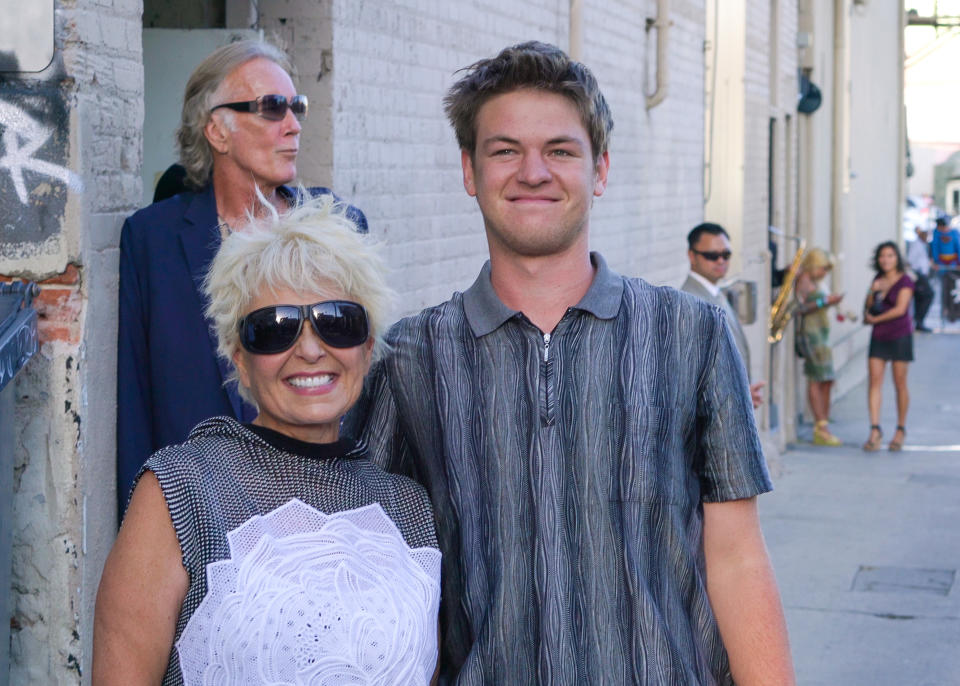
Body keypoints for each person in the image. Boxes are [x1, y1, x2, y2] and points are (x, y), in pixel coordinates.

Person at [346, 41, 794, 685]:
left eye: (559, 150)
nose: (533, 172)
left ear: (600, 170)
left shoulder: (691, 333)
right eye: (505, 151)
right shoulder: (410, 357)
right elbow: (376, 564)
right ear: (470, 171)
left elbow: (738, 558)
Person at [94, 197, 441, 685]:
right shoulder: (179, 492)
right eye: (273, 329)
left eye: (338, 321)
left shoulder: (409, 510)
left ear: (367, 347)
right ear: (239, 358)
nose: (310, 349)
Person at [116, 40, 367, 515]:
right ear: (217, 130)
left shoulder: (338, 228)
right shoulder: (152, 239)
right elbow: (135, 404)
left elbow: (363, 380)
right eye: (272, 108)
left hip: (320, 508)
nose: (293, 125)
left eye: (297, 107)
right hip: (193, 516)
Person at [682, 222, 765, 408]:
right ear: (692, 256)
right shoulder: (691, 303)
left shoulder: (715, 292)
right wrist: (736, 397)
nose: (721, 261)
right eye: (711, 256)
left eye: (726, 255)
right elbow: (692, 375)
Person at [862, 241, 914, 452]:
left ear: (897, 258)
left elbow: (901, 309)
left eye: (890, 255)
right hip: (879, 335)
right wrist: (871, 291)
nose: (886, 259)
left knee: (899, 382)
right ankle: (875, 429)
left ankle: (900, 429)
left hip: (900, 335)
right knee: (875, 381)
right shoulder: (877, 279)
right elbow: (868, 306)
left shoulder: (905, 281)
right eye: (882, 256)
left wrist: (876, 319)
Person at [794, 248, 844, 446]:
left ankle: (823, 421)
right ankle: (820, 427)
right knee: (818, 377)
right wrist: (825, 301)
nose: (825, 273)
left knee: (827, 378)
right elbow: (800, 309)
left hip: (821, 332)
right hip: (811, 334)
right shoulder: (805, 280)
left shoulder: (815, 281)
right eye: (823, 268)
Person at [906, 226, 933, 332]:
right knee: (928, 294)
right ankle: (919, 320)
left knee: (920, 298)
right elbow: (911, 261)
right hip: (918, 275)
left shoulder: (923, 245)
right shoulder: (916, 245)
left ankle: (919, 322)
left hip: (922, 274)